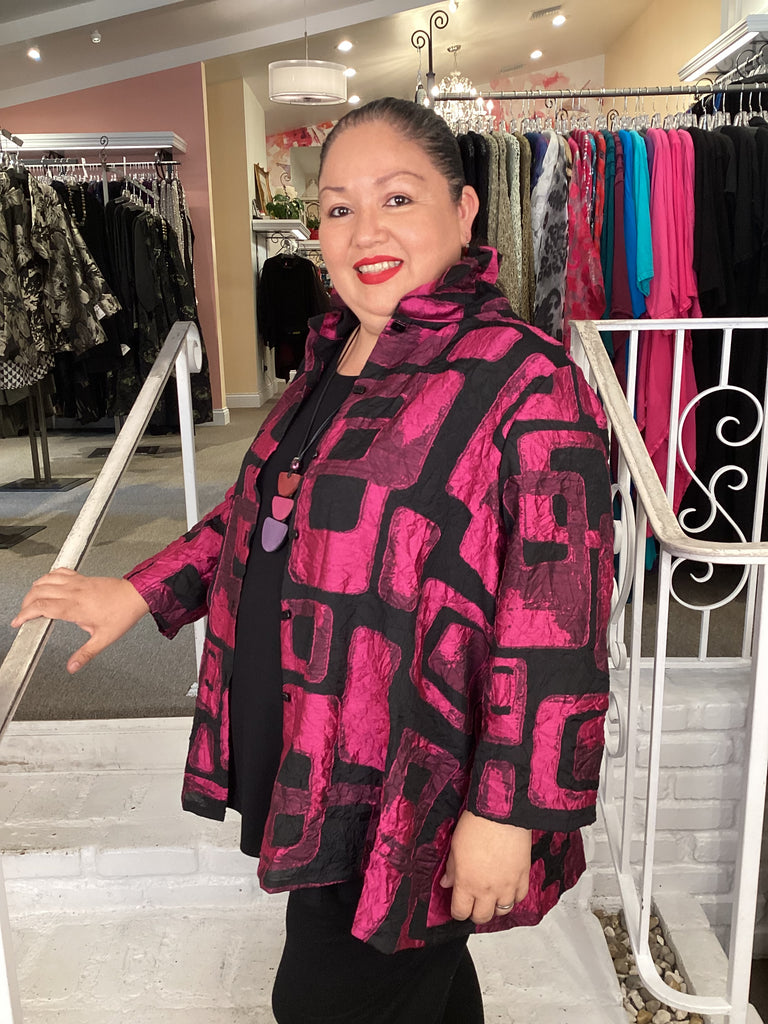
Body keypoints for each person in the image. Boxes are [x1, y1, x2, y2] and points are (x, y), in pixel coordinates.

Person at [12, 98, 614, 1023]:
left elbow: (561, 620)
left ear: (464, 212)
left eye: (397, 198)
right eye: (338, 208)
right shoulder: (334, 355)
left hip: (417, 782)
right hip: (319, 746)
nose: (364, 230)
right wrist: (142, 591)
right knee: (416, 988)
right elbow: (269, 511)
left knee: (323, 1001)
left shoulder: (525, 377)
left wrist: (509, 811)